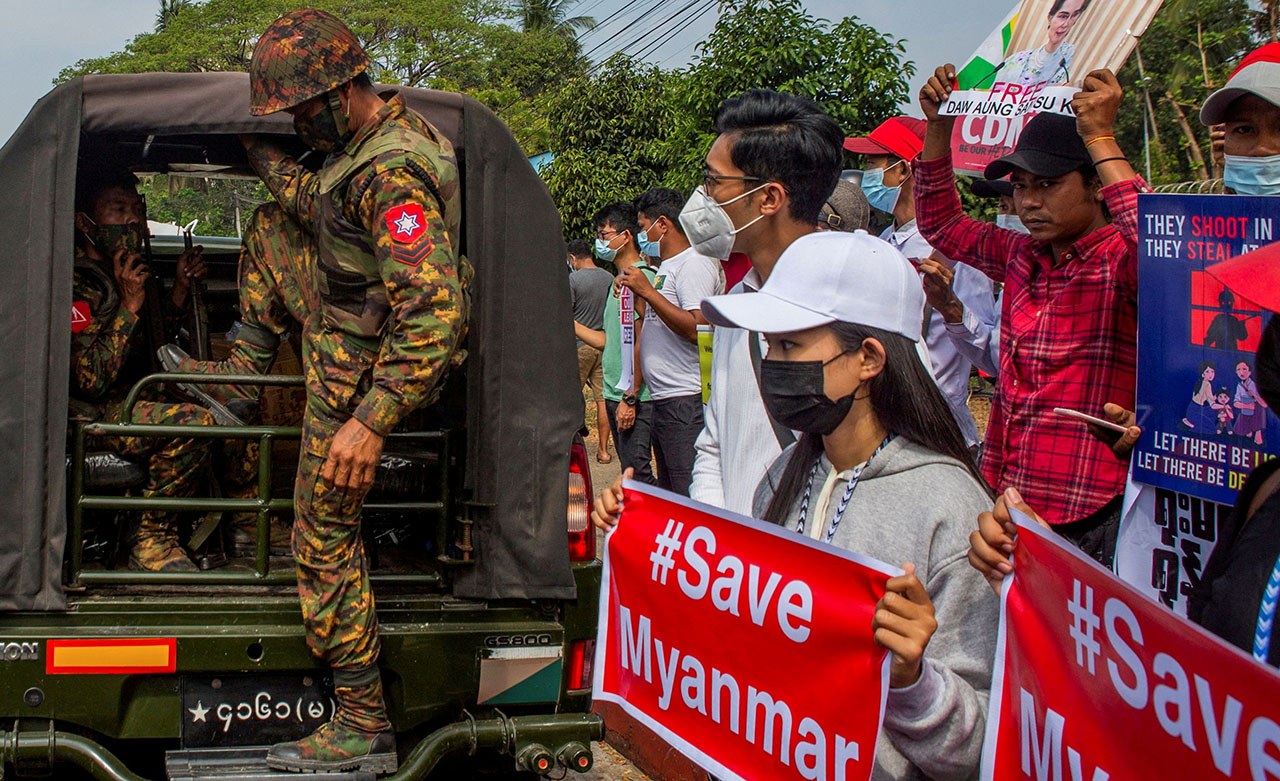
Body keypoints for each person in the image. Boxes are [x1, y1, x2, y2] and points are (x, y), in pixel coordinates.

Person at [595, 231, 998, 780]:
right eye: (769, 346)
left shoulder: (950, 512)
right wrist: (649, 538)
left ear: (869, 359)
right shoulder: (783, 479)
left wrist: (913, 679)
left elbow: (979, 749)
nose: (772, 363)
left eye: (789, 346)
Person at [241, 10, 472, 773]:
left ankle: (362, 716)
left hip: (359, 379)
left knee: (318, 530)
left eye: (306, 110)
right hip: (342, 323)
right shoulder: (361, 151)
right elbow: (318, 203)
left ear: (344, 90)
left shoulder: (390, 171)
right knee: (272, 224)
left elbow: (435, 312)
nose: (302, 124)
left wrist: (369, 422)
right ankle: (243, 371)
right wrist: (267, 158)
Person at [916, 63, 1146, 568]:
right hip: (1009, 491)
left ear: (1095, 187)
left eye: (1047, 184)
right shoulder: (1023, 255)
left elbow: (1159, 246)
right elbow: (941, 222)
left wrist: (1102, 138)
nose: (1028, 201)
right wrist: (938, 126)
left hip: (1091, 507)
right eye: (1020, 185)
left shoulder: (1124, 261)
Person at [684, 89, 845, 515]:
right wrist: (719, 539)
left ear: (769, 199)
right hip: (744, 572)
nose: (703, 196)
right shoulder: (733, 306)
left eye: (714, 181)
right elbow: (715, 443)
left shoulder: (855, 308)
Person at [70, 166, 217, 572]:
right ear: (85, 223)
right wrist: (128, 305)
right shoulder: (79, 285)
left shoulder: (132, 270)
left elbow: (155, 347)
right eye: (118, 210)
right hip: (93, 413)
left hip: (136, 396)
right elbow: (90, 380)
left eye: (136, 209)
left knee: (233, 405)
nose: (132, 220)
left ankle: (244, 523)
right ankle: (149, 537)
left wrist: (180, 290)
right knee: (193, 424)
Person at [846, 116, 996, 450]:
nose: (866, 173)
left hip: (939, 434)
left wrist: (951, 307)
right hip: (884, 431)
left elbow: (988, 352)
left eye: (874, 163)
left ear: (904, 170)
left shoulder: (957, 252)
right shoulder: (882, 243)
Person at [619, 188, 724, 495]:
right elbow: (658, 321)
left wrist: (649, 292)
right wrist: (637, 294)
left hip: (686, 400)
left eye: (643, 227)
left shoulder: (693, 264)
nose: (642, 235)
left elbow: (697, 328)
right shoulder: (667, 266)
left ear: (662, 224)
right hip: (665, 399)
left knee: (687, 494)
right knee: (672, 491)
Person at [577, 202, 657, 483]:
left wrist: (631, 396)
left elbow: (642, 339)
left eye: (604, 234)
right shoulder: (617, 282)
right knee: (629, 473)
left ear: (626, 236)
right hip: (613, 392)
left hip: (632, 397)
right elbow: (611, 342)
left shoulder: (640, 279)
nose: (600, 242)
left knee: (638, 476)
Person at [918, 178, 1015, 382]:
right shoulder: (1015, 284)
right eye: (1004, 207)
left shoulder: (1089, 282)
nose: (1012, 215)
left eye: (1044, 187)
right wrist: (949, 307)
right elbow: (995, 360)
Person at [568, 237, 615, 464]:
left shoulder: (573, 280)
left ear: (573, 258)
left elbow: (567, 314)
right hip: (603, 345)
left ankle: (573, 447)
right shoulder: (609, 278)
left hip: (579, 347)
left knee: (572, 397)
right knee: (602, 399)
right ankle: (604, 450)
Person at [1002, 0, 1090, 88]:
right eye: (1063, 16)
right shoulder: (1016, 60)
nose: (1066, 24)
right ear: (1050, 17)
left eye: (1074, 15)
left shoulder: (1074, 58)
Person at [1233, 357, 1269, 445]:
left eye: (1244, 369)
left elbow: (1264, 405)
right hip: (1245, 412)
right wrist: (1246, 406)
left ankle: (1258, 432)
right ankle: (1249, 430)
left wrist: (1254, 395)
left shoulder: (1255, 385)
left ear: (1249, 372)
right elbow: (1235, 403)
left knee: (1259, 407)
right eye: (1239, 370)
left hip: (1256, 413)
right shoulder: (1239, 386)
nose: (1242, 372)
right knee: (1238, 431)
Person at [1182, 361, 1219, 430]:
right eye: (1207, 371)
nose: (1210, 374)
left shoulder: (1201, 382)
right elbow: (1212, 405)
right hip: (1195, 411)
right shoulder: (1207, 384)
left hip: (1193, 409)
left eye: (1212, 371)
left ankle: (1189, 421)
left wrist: (1214, 398)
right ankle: (1191, 424)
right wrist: (1224, 406)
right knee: (1212, 428)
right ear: (1203, 374)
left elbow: (1206, 398)